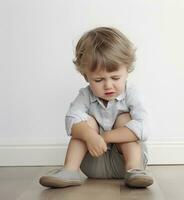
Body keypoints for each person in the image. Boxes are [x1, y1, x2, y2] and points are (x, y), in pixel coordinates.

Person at [39, 27, 153, 188]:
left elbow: (144, 128)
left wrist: (104, 137)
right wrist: (90, 136)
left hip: (124, 161)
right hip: (93, 160)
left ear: (127, 70)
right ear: (86, 76)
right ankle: (70, 170)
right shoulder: (85, 95)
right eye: (98, 80)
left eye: (115, 77)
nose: (108, 85)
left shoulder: (132, 94)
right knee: (85, 123)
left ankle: (134, 170)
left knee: (124, 118)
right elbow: (70, 120)